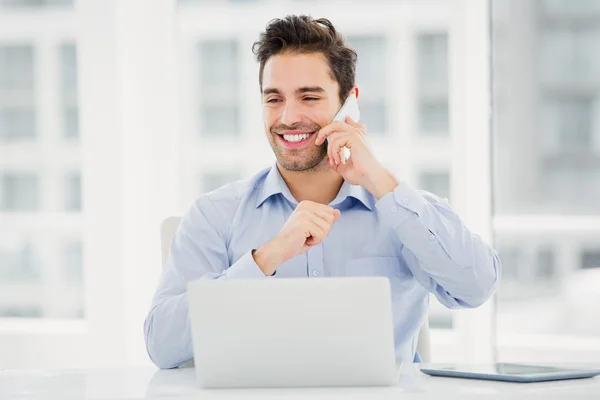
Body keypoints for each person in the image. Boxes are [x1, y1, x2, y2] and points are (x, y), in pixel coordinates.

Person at [144, 15, 501, 369]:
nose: (287, 117)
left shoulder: (404, 212)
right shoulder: (215, 215)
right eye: (274, 99)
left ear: (349, 103)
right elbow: (162, 345)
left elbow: (477, 286)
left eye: (309, 97)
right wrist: (265, 259)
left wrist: (378, 178)